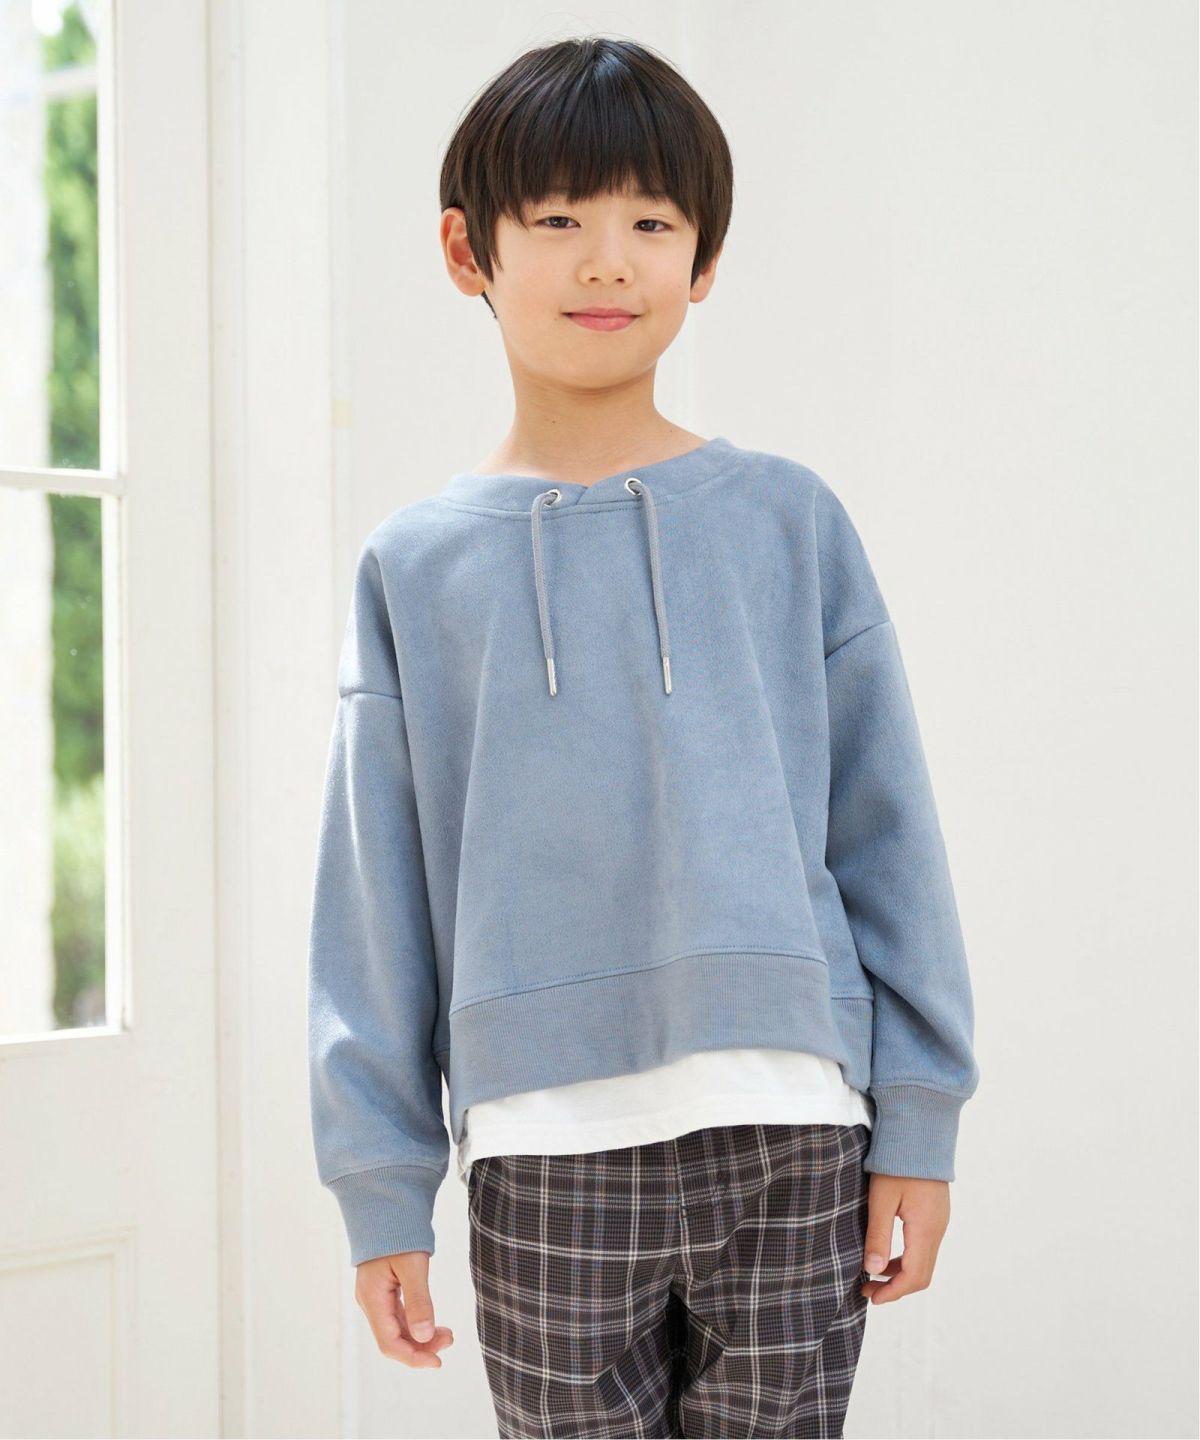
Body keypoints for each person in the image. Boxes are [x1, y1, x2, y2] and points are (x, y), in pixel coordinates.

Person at [307, 34, 980, 1440]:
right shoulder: (414, 568)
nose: (607, 262)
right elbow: (374, 907)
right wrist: (382, 1188)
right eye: (559, 220)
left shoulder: (789, 521)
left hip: (795, 1128)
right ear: (467, 250)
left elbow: (888, 835)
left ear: (705, 259)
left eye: (652, 224)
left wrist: (920, 1114)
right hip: (542, 1151)